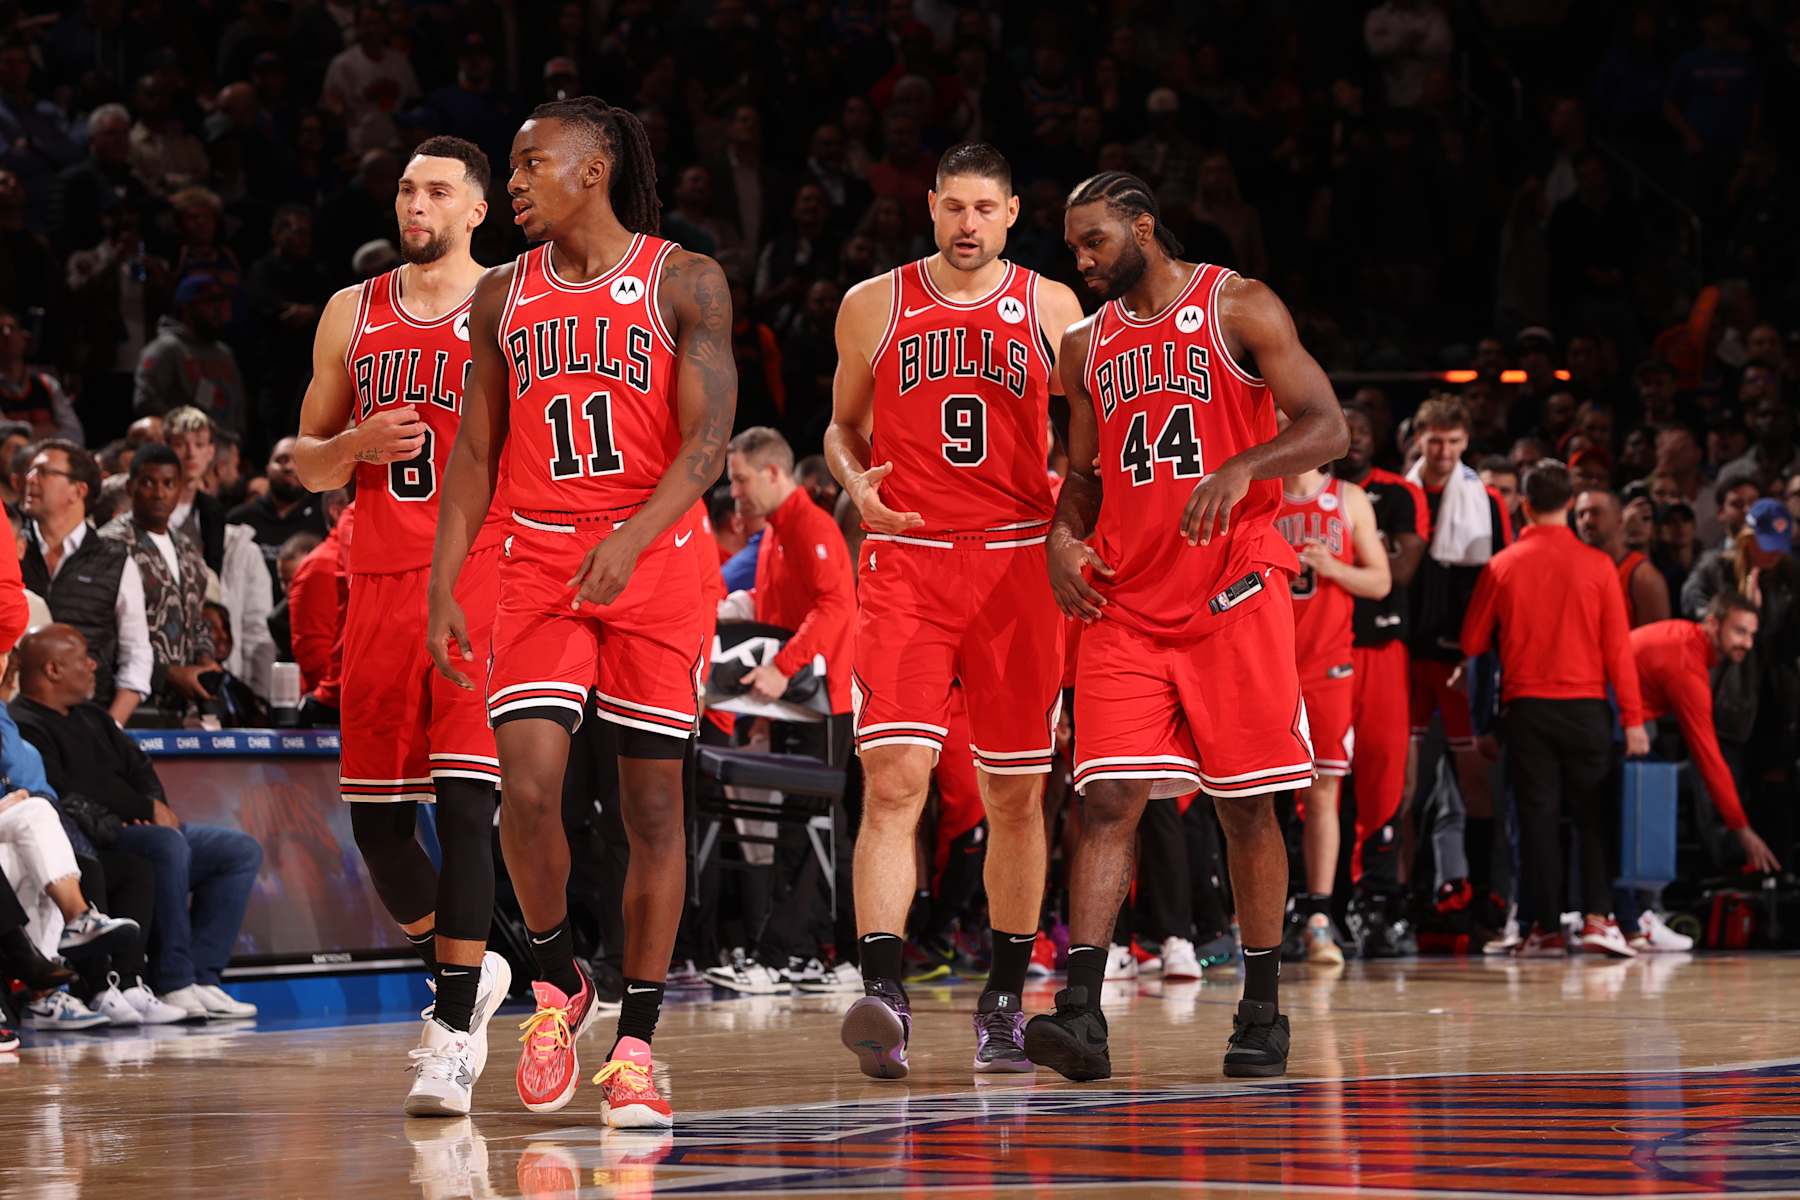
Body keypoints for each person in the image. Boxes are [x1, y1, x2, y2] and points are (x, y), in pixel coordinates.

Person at [427, 98, 735, 1127]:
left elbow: (706, 448)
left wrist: (634, 539)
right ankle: (559, 986)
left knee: (651, 811)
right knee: (528, 785)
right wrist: (443, 581)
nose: (511, 182)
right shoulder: (501, 296)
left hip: (656, 559)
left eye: (529, 163)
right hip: (539, 557)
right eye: (510, 167)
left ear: (594, 167)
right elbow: (473, 450)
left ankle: (639, 1046)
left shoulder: (684, 278)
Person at [1037, 171, 1347, 1081]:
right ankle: (1082, 1018)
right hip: (1127, 600)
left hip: (1231, 596)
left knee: (1246, 805)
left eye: (1095, 241)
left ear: (1142, 226)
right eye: (1075, 248)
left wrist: (1242, 466)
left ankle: (1261, 1009)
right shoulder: (1085, 345)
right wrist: (1061, 538)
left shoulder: (1238, 304)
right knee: (1106, 801)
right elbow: (1085, 476)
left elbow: (1327, 426)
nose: (1084, 262)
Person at [824, 143, 1082, 1079]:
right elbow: (841, 429)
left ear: (1013, 214)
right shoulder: (873, 304)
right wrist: (856, 485)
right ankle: (884, 991)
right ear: (929, 207)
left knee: (1016, 794)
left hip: (1018, 569)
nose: (969, 224)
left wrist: (1081, 525)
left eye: (987, 208)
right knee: (893, 782)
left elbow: (1092, 439)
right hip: (908, 564)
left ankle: (1005, 1001)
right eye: (954, 207)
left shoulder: (1055, 308)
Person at [293, 136, 511, 1118]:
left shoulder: (516, 302)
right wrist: (351, 444)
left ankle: (452, 1029)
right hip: (377, 585)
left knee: (466, 809)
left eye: (436, 192)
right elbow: (304, 460)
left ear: (477, 210)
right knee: (380, 831)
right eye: (405, 189)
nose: (414, 204)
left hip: (478, 585)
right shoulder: (355, 309)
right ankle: (468, 960)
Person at [11, 625, 262, 1019]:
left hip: (142, 826)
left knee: (238, 850)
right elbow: (67, 796)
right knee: (166, 846)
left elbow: (138, 764)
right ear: (54, 669)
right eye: (82, 657)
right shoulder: (26, 723)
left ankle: (203, 975)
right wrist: (131, 818)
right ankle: (173, 981)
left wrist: (156, 805)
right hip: (103, 837)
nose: (93, 665)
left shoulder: (93, 715)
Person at [1461, 461, 1647, 958]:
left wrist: (1483, 721)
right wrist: (1633, 719)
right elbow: (1618, 652)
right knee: (1593, 818)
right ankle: (1596, 919)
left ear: (1523, 505)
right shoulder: (1600, 566)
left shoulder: (1503, 565)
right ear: (1570, 503)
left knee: (1537, 820)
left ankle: (1542, 927)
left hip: (1527, 711)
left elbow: (1473, 643)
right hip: (1587, 708)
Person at [710, 425, 855, 982]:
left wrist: (780, 668)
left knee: (813, 827)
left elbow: (836, 607)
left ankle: (789, 953)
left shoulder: (808, 526)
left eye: (742, 479)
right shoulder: (776, 532)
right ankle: (825, 953)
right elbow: (779, 604)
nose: (736, 491)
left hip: (825, 703)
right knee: (816, 826)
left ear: (773, 473)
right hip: (802, 705)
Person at [1275, 462, 1391, 965]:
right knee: (1253, 793)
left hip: (1327, 666)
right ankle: (1258, 917)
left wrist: (1333, 567)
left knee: (1323, 789)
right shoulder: (1258, 492)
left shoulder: (1348, 498)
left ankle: (1319, 917)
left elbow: (1381, 581)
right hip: (1267, 664)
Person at [1403, 398, 1511, 916]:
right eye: (1434, 440)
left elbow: (1498, 582)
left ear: (1465, 442)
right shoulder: (1399, 494)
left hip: (1462, 661)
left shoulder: (1486, 500)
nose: (1443, 451)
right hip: (1404, 658)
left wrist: (1475, 653)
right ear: (1418, 440)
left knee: (1474, 781)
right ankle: (1398, 899)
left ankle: (1485, 894)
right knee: (1400, 789)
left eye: (1452, 441)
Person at [1627, 594, 1781, 950]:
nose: (1747, 642)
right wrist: (1742, 829)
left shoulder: (1687, 640)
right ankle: (1641, 915)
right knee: (1653, 795)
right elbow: (1709, 756)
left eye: (1752, 634)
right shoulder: (1687, 663)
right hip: (1611, 717)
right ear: (1713, 624)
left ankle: (1633, 912)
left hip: (1617, 714)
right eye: (1739, 631)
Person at [1334, 406, 1427, 955]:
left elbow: (1403, 568)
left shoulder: (1397, 493)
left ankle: (1379, 905)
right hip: (1321, 649)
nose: (1356, 440)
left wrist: (1350, 555)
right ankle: (1322, 904)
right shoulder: (1299, 493)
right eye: (1348, 430)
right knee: (1319, 789)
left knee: (1385, 782)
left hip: (1382, 650)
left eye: (1364, 429)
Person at [18, 440, 153, 726]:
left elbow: (137, 653)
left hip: (88, 721)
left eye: (43, 472)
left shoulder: (115, 562)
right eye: (30, 471)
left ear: (78, 490)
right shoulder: (9, 551)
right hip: (17, 721)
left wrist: (111, 727)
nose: (30, 479)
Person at [97, 443, 220, 718]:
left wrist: (206, 659)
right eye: (148, 483)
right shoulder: (109, 544)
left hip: (182, 705)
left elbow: (197, 618)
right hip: (128, 701)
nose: (159, 493)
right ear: (130, 488)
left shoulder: (188, 549)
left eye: (168, 483)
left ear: (180, 489)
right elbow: (102, 629)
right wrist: (167, 674)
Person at [131, 274, 249, 437]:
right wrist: (184, 433)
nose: (220, 309)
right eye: (211, 302)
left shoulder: (223, 353)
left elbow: (238, 406)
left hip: (225, 450)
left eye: (222, 302)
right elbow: (145, 401)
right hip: (186, 450)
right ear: (188, 307)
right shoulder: (166, 349)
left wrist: (236, 441)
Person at [227, 437, 327, 585]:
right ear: (267, 468)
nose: (289, 467)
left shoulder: (323, 518)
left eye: (298, 460)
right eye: (281, 460)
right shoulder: (240, 519)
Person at [1574, 488, 1671, 628]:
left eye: (1595, 513)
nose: (1587, 520)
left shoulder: (1643, 577)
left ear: (1619, 519)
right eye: (1580, 514)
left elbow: (1653, 643)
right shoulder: (1576, 570)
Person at [162, 406, 226, 572]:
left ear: (210, 451)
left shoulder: (214, 511)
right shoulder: (151, 503)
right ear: (166, 448)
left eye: (199, 444)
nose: (191, 453)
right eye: (180, 444)